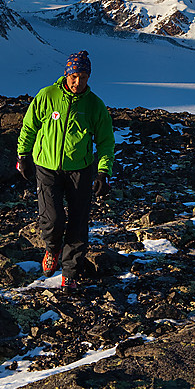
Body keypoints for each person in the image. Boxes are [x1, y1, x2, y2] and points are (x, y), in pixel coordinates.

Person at [16, 50, 114, 292]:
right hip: (46, 166)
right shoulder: (47, 96)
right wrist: (23, 156)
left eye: (83, 77)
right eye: (74, 76)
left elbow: (105, 141)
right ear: (66, 74)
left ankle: (70, 272)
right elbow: (29, 126)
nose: (78, 82)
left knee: (78, 223)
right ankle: (52, 248)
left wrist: (103, 172)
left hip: (80, 169)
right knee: (53, 218)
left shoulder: (94, 105)